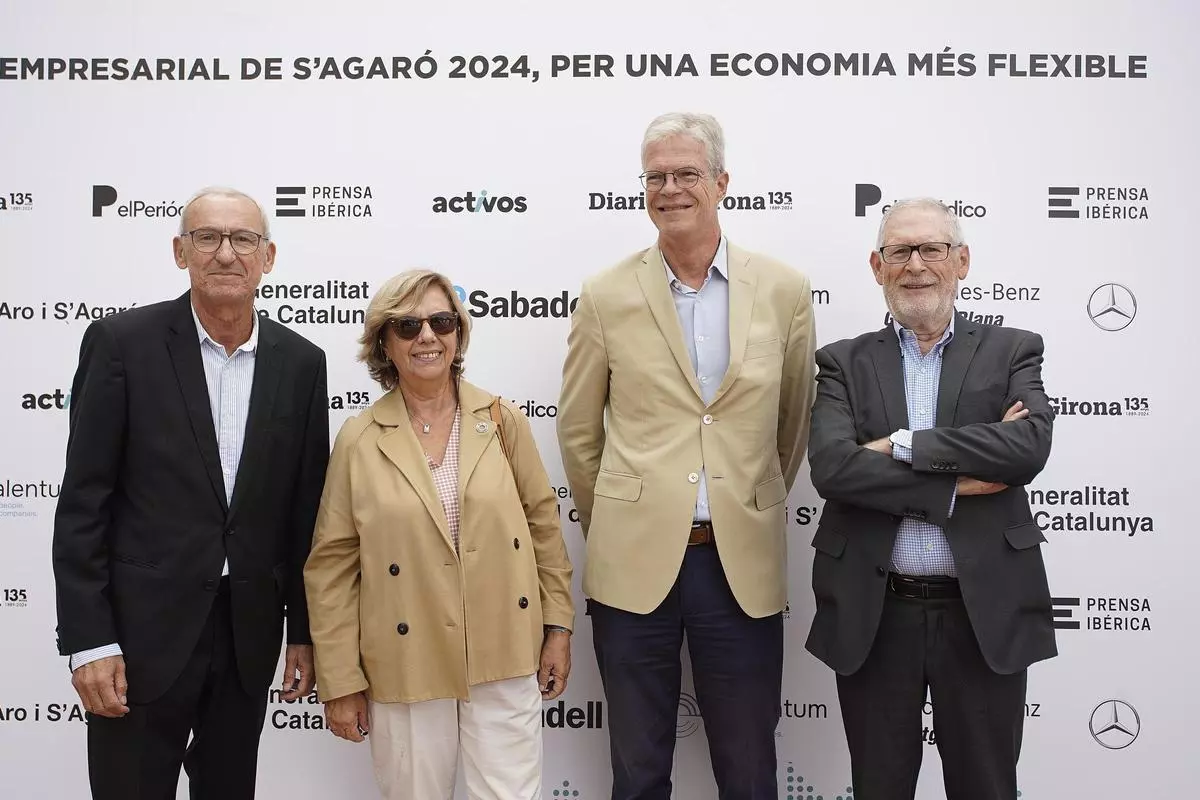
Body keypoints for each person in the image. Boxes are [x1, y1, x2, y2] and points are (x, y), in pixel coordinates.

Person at [557, 112, 817, 799]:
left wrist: (744, 499)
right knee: (638, 769)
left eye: (686, 174)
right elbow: (579, 431)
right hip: (633, 562)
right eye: (656, 177)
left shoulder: (784, 290)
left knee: (749, 768)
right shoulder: (605, 294)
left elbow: (791, 422)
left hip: (739, 564)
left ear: (722, 183)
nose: (669, 189)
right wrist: (623, 517)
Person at [51, 186, 330, 799]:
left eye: (243, 239)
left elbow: (303, 515)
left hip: (247, 637)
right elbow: (83, 505)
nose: (226, 253)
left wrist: (304, 632)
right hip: (138, 639)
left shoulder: (302, 363)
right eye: (208, 237)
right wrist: (89, 641)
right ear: (181, 252)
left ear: (268, 257)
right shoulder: (122, 344)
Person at [804, 197, 1057, 800]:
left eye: (932, 249)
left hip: (982, 612)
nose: (915, 265)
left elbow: (1025, 449)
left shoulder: (1012, 349)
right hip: (876, 612)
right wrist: (951, 486)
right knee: (879, 787)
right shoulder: (842, 361)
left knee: (986, 787)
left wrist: (902, 445)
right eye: (899, 251)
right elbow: (833, 468)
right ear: (878, 266)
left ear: (961, 261)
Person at [304, 269, 574, 800]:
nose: (426, 336)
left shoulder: (502, 420)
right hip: (406, 661)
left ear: (458, 333)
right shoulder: (359, 439)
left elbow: (544, 527)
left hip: (503, 651)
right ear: (384, 342)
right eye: (408, 325)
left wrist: (558, 627)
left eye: (441, 322)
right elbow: (331, 568)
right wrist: (340, 678)